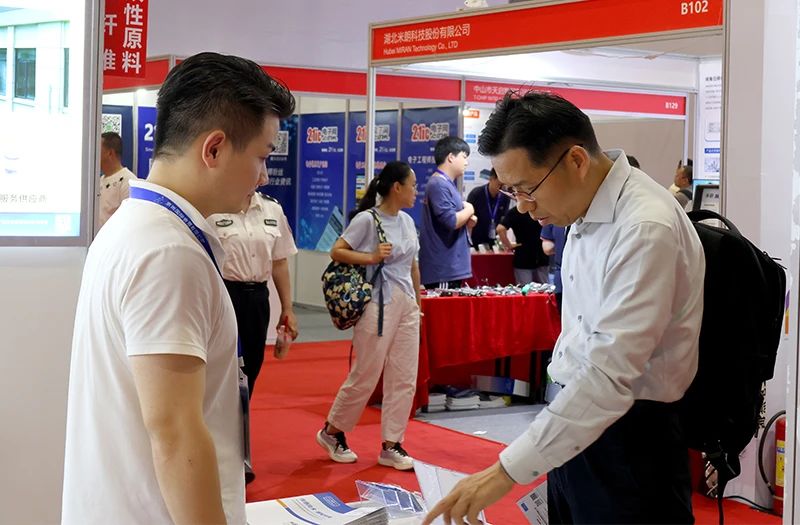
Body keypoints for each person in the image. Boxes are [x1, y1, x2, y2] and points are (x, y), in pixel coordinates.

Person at [423, 91, 705, 525]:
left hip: (628, 441)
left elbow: (610, 374)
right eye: (512, 190)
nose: (522, 205)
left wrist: (504, 471)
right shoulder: (586, 211)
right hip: (578, 421)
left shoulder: (645, 226)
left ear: (576, 160)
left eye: (527, 188)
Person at [62, 52, 295, 525]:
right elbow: (175, 434)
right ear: (214, 149)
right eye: (261, 156)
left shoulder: (136, 225)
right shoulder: (170, 252)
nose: (263, 176)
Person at [316, 161, 421, 471]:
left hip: (407, 304)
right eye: (413, 185)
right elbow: (337, 251)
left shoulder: (407, 221)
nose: (416, 191)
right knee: (366, 373)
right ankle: (332, 431)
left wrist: (418, 303)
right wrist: (372, 257)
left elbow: (413, 266)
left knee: (404, 377)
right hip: (377, 303)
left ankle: (392, 444)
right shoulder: (367, 219)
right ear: (397, 187)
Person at [208, 188, 299, 399]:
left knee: (252, 363)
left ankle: (242, 414)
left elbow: (280, 262)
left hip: (257, 298)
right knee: (220, 364)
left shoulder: (272, 208)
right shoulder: (213, 207)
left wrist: (287, 309)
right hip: (224, 296)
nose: (261, 176)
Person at [419, 136, 475, 289]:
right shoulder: (438, 184)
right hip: (443, 268)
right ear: (451, 157)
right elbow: (452, 221)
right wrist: (470, 209)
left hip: (450, 266)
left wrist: (468, 220)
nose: (466, 162)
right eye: (464, 157)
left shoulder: (446, 183)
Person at [496, 205, 549, 285]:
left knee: (525, 289)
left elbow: (500, 229)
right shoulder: (542, 209)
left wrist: (508, 245)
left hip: (523, 255)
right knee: (544, 288)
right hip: (541, 254)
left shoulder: (515, 211)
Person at [97, 131, 137, 229]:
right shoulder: (99, 181)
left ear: (110, 153)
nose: (95, 154)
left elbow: (131, 221)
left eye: (98, 150)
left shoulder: (128, 182)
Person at [466, 168, 510, 248]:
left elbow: (503, 219)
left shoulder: (505, 197)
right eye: (499, 185)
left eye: (504, 186)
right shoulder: (476, 194)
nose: (501, 189)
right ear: (491, 179)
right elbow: (468, 220)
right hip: (475, 240)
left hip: (493, 240)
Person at [540, 223, 566, 310]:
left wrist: (559, 248)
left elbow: (547, 248)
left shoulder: (552, 218)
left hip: (560, 277)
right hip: (587, 276)